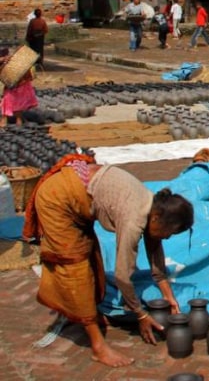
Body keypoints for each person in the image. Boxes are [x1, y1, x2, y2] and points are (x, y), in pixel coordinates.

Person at [22, 153, 193, 367]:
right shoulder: (134, 220)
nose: (168, 238)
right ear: (158, 218)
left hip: (80, 192)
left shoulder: (152, 204)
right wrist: (140, 314)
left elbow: (155, 249)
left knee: (91, 256)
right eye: (170, 232)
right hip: (57, 199)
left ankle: (89, 311)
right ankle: (98, 346)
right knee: (75, 267)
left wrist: (169, 297)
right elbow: (122, 276)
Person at [0, 48, 39, 126]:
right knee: (11, 100)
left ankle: (9, 120)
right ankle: (12, 120)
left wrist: (6, 59)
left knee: (11, 100)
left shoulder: (14, 63)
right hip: (10, 79)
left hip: (14, 81)